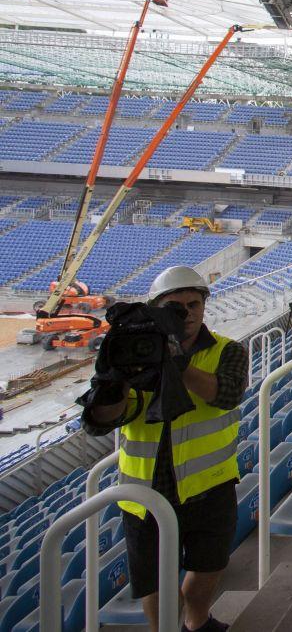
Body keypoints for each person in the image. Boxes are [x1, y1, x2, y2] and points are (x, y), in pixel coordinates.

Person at [84, 266, 245, 632]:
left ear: (204, 307)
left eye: (193, 304)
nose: (186, 313)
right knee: (155, 581)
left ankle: (197, 620)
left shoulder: (227, 351)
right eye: (175, 306)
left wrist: (177, 364)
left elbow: (228, 394)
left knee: (210, 565)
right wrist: (117, 379)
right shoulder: (132, 355)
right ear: (156, 309)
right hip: (145, 493)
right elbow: (100, 422)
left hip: (210, 486)